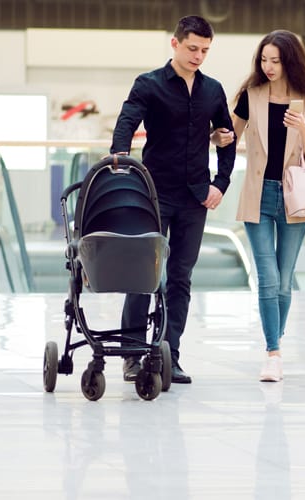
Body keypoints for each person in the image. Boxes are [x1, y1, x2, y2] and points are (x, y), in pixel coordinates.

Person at [110, 15, 236, 384]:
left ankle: (168, 354)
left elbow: (226, 139)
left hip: (195, 198)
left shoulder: (213, 90)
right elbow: (127, 121)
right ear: (175, 44)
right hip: (154, 194)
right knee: (143, 274)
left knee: (180, 277)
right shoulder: (148, 84)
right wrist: (119, 158)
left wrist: (221, 184)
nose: (198, 56)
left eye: (205, 51)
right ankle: (133, 355)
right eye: (193, 48)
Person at [213, 29, 305, 382]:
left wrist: (304, 128)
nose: (268, 66)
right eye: (264, 60)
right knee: (266, 278)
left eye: (275, 61)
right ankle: (273, 353)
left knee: (283, 281)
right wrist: (218, 137)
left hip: (295, 195)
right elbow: (229, 137)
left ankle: (273, 340)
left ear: (290, 61)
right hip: (258, 194)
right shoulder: (251, 96)